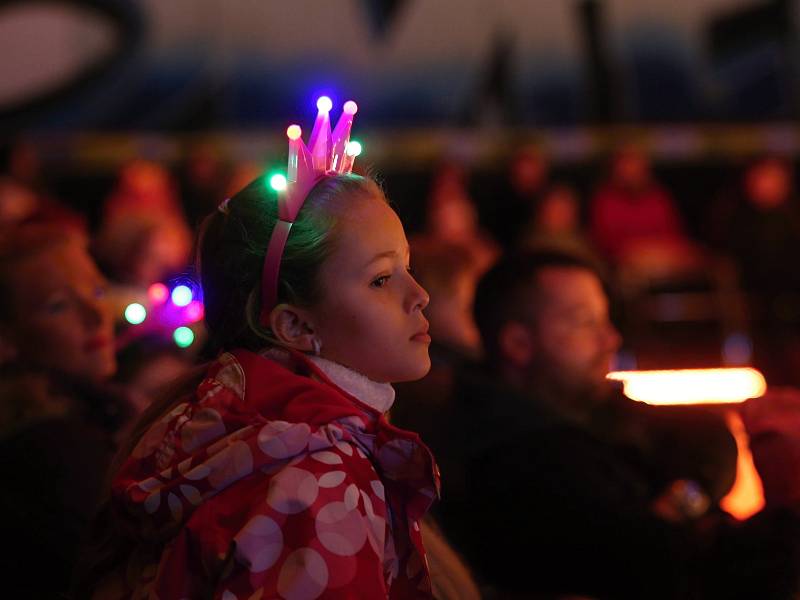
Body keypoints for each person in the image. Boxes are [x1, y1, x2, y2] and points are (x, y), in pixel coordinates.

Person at [79, 100, 478, 599]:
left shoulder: (227, 429)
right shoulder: (318, 485)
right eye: (380, 279)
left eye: (407, 268)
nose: (419, 296)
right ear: (294, 324)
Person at [434, 249, 800, 599]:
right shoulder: (519, 459)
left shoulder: (586, 406)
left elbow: (708, 434)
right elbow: (682, 570)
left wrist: (682, 500)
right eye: (585, 322)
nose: (610, 338)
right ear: (518, 343)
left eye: (606, 319)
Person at [0, 223, 135, 598]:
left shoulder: (90, 414)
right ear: (6, 339)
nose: (96, 313)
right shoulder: (52, 448)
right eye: (58, 305)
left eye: (95, 289)